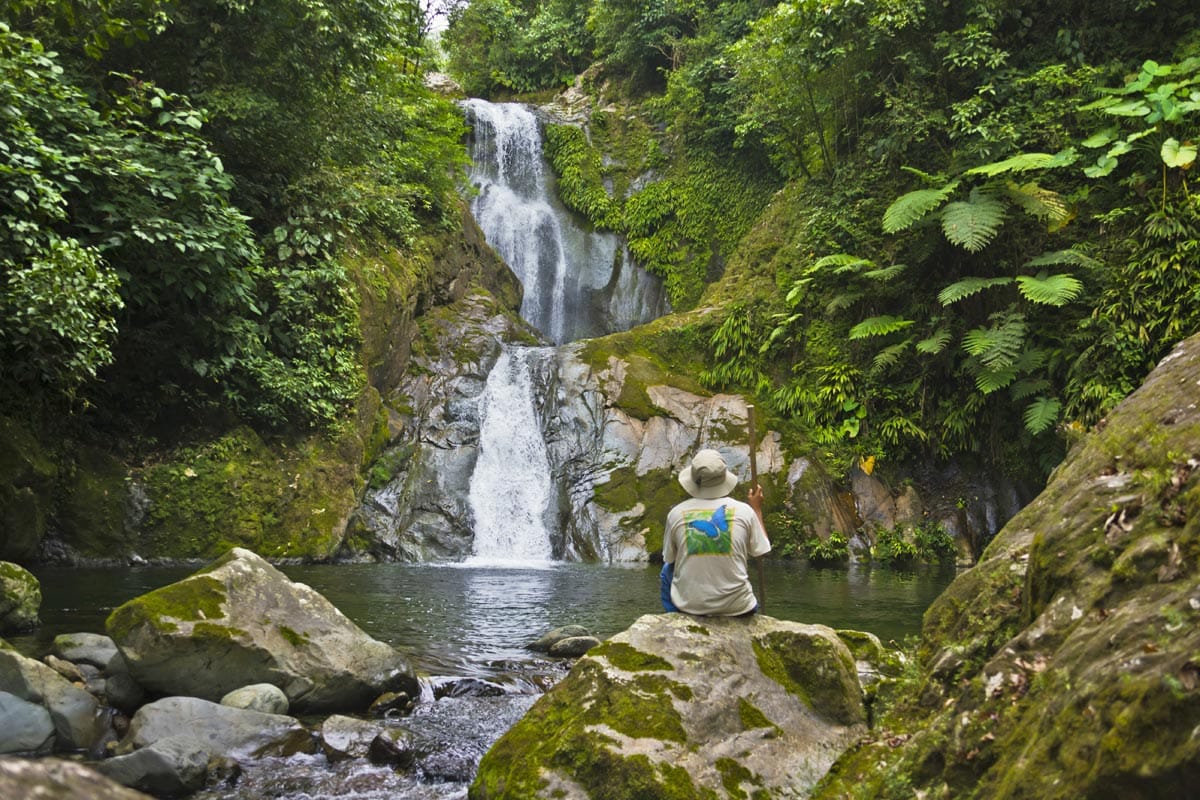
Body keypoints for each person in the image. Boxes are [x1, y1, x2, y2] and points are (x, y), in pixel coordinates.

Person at [660, 448, 771, 616]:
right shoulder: (745, 511)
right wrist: (757, 510)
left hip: (689, 608)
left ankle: (675, 617)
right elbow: (761, 551)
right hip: (740, 609)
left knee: (667, 569)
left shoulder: (676, 514)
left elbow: (669, 558)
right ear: (724, 478)